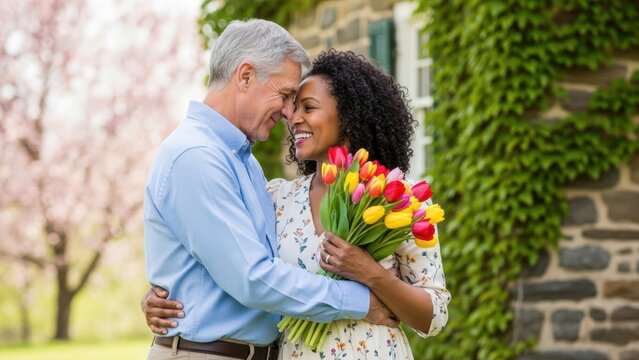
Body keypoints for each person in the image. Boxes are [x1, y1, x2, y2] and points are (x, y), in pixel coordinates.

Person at [144, 50, 451, 359]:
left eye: (308, 107)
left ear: (349, 115)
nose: (292, 117)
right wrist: (166, 293)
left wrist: (372, 274)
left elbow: (434, 315)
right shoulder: (275, 199)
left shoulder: (397, 198)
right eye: (292, 106)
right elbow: (236, 263)